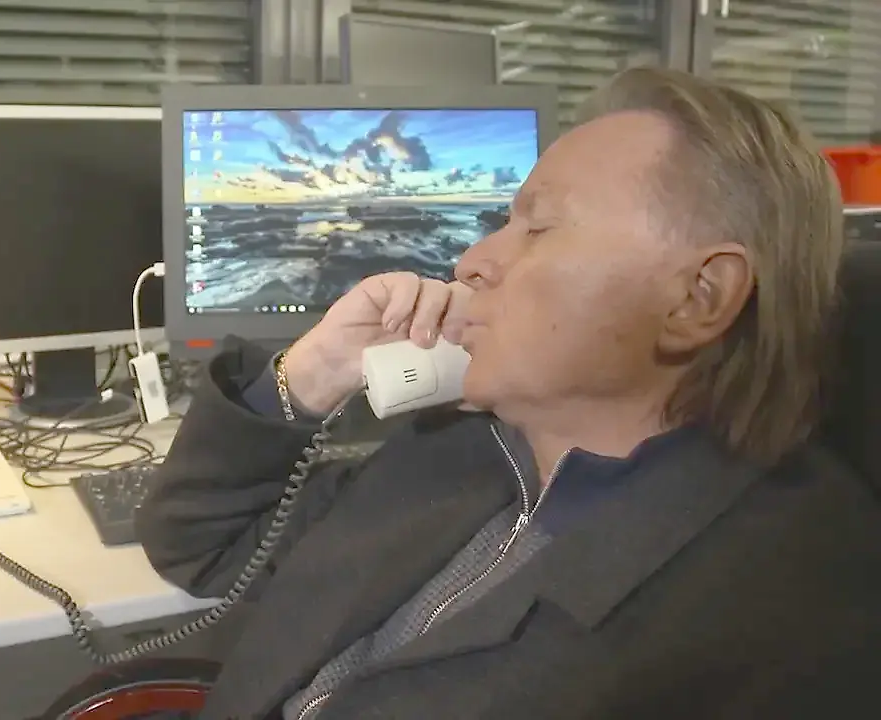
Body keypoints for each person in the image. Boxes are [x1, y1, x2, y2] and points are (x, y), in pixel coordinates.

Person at [136, 67, 881, 719]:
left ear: (698, 298)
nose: (471, 260)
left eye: (538, 228)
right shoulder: (468, 447)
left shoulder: (780, 606)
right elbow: (204, 546)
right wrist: (317, 371)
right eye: (502, 222)